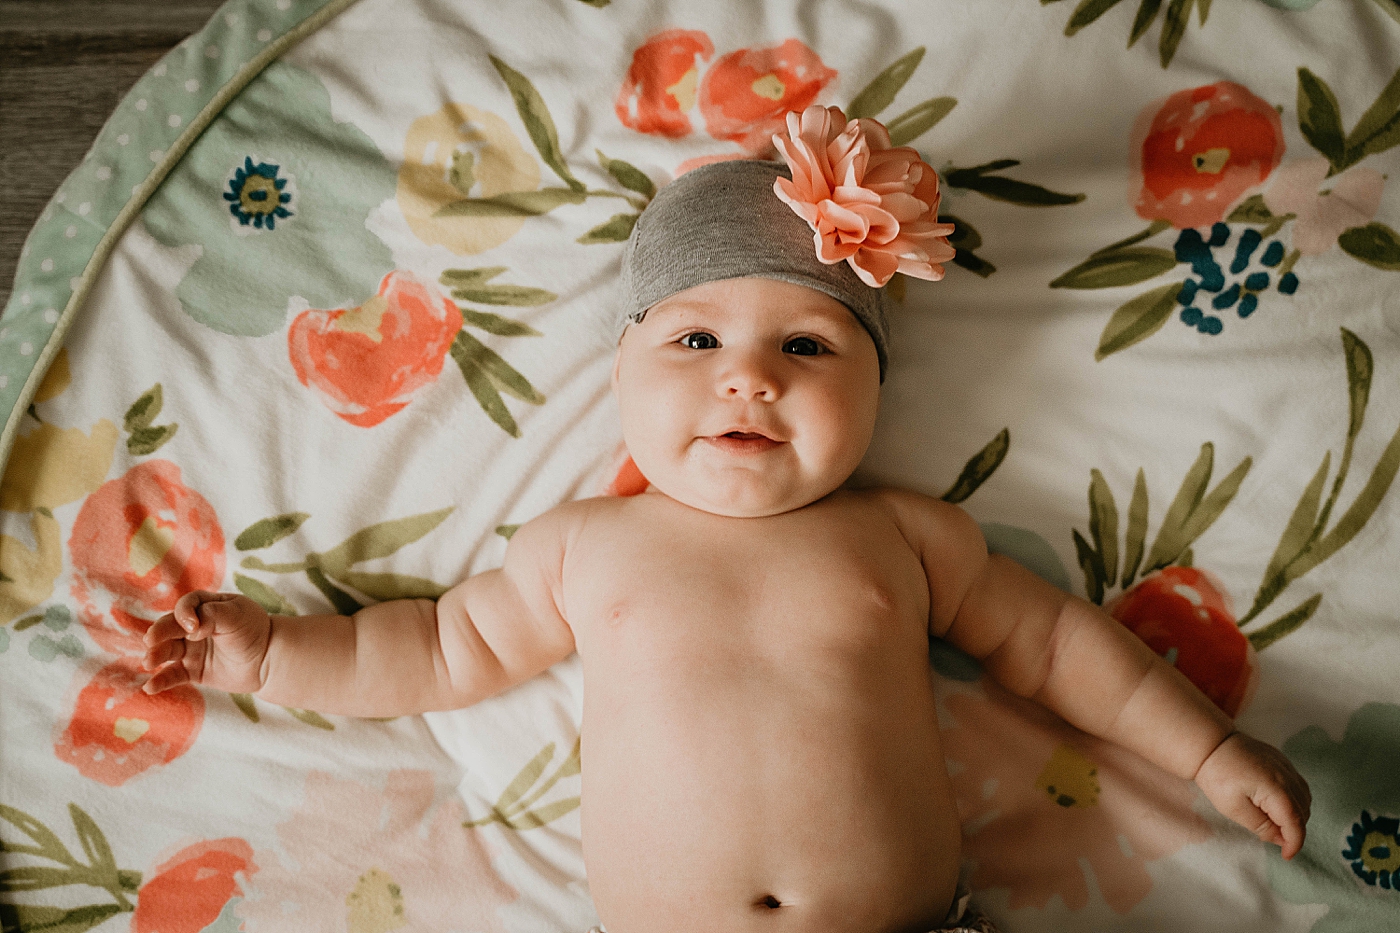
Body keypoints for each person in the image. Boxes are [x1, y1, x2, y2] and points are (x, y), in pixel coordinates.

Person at [141, 105, 1310, 933]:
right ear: (620, 373)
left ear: (874, 388)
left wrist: (1203, 750)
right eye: (694, 340)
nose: (747, 378)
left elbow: (1057, 650)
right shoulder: (579, 549)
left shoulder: (903, 537)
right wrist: (271, 652)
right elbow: (438, 651)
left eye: (805, 346)